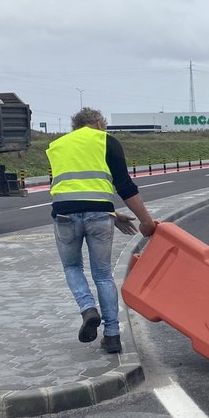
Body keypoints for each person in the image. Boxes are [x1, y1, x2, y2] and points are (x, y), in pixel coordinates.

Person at [47, 107, 156, 354]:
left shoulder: (57, 145)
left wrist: (115, 215)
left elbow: (70, 188)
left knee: (72, 267)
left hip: (64, 214)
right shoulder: (106, 141)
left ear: (76, 126)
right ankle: (112, 335)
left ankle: (88, 309)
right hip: (99, 216)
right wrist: (145, 221)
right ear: (98, 123)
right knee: (103, 275)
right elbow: (125, 186)